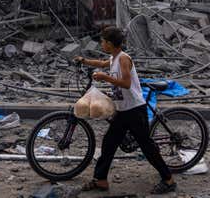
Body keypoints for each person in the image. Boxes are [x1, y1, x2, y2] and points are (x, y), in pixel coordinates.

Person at [74, 27, 177, 194]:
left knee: (147, 146)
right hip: (123, 110)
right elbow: (101, 64)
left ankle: (169, 180)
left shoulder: (123, 59)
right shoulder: (113, 58)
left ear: (109, 43)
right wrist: (84, 60)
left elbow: (126, 83)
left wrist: (104, 77)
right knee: (109, 143)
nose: (101, 44)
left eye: (103, 41)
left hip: (135, 110)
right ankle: (100, 180)